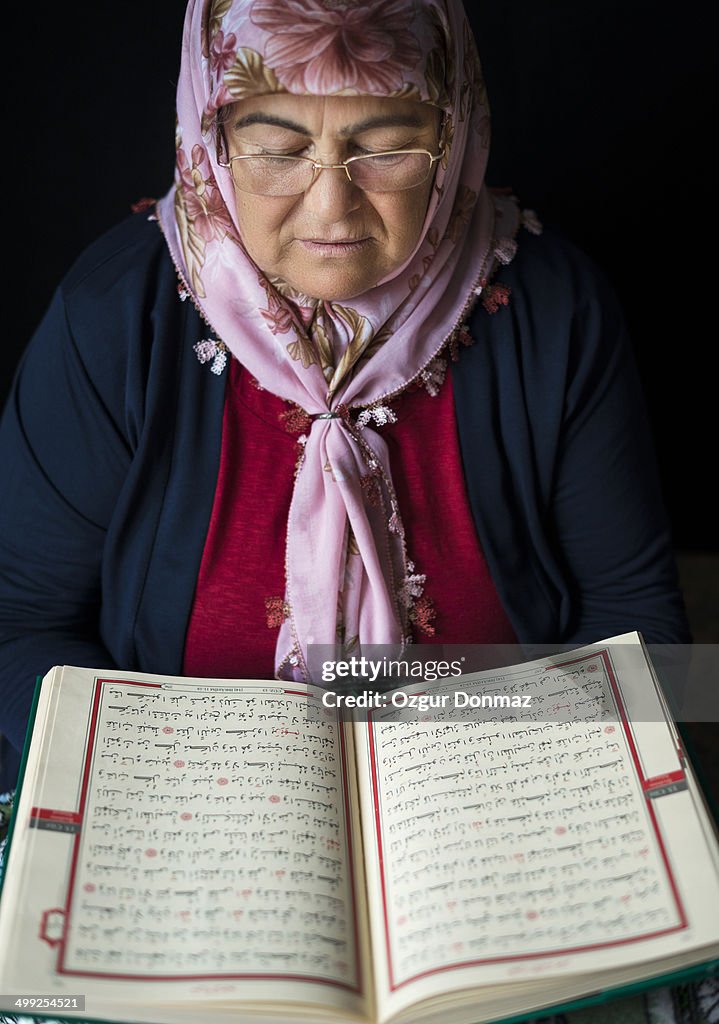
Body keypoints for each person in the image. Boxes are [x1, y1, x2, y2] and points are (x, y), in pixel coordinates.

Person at [0, 0, 690, 787]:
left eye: (388, 147)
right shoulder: (119, 313)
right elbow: (21, 625)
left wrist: (516, 767)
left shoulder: (554, 307)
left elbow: (631, 620)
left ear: (454, 132)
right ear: (210, 138)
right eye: (275, 149)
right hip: (175, 800)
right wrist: (165, 780)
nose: (332, 207)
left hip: (499, 788)